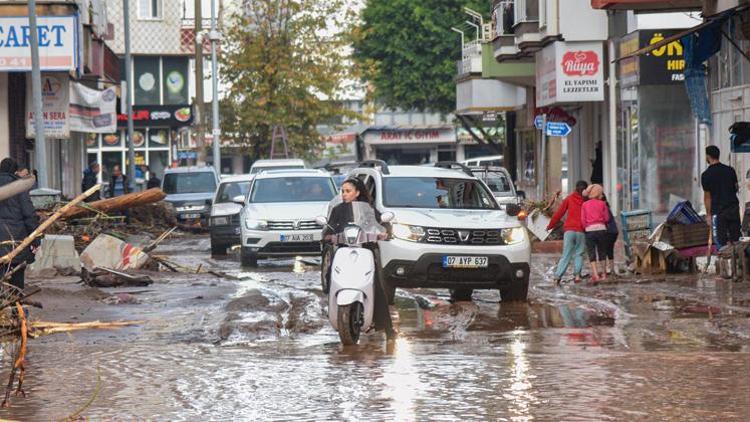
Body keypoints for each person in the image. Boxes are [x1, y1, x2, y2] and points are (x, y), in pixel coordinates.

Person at [322, 178, 395, 338]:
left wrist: (384, 232)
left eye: (348, 191)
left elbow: (380, 223)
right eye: (342, 191)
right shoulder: (338, 210)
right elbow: (330, 228)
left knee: (377, 286)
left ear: (357, 193)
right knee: (330, 277)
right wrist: (328, 235)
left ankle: (388, 330)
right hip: (343, 251)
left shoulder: (368, 209)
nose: (344, 194)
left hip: (365, 250)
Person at [0, 158, 40, 291]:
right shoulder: (19, 187)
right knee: (16, 276)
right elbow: (29, 214)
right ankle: (16, 306)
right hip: (15, 239)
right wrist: (35, 239)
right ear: (15, 171)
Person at [547, 180, 588, 285]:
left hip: (569, 231)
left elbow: (558, 214)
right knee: (579, 253)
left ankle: (557, 277)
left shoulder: (569, 198)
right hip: (581, 231)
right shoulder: (587, 201)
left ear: (575, 188)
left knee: (566, 255)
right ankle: (577, 275)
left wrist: (550, 225)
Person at [702, 145, 741, 250]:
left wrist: (708, 215)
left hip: (719, 212)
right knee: (736, 240)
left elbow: (707, 197)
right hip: (733, 209)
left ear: (708, 156)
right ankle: (737, 263)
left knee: (722, 242)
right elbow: (736, 188)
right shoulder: (730, 170)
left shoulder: (706, 175)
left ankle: (726, 262)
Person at [581, 184, 610, 283]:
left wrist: (587, 227)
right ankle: (604, 274)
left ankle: (596, 274)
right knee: (602, 252)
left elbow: (583, 220)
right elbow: (607, 218)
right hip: (601, 229)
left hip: (590, 231)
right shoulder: (603, 204)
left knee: (591, 253)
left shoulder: (585, 205)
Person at [603, 193, 619, 276]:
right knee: (609, 251)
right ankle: (612, 270)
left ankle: (605, 270)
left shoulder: (602, 206)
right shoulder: (606, 206)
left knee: (604, 251)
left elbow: (606, 219)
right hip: (613, 231)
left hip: (608, 231)